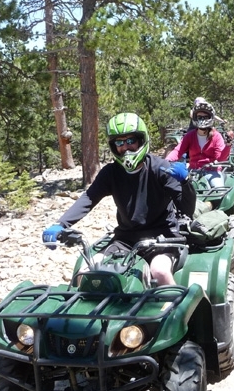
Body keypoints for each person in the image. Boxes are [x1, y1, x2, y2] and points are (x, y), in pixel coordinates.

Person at [42, 112, 195, 286]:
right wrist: (62, 224)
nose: (125, 147)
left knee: (159, 271)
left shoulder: (161, 169)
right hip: (126, 239)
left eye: (130, 141)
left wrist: (185, 182)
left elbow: (186, 209)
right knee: (87, 268)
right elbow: (89, 198)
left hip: (163, 238)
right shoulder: (111, 172)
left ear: (141, 140)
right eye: (119, 143)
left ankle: (173, 309)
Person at [167, 100, 231, 188]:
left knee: (219, 190)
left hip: (212, 171)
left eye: (205, 117)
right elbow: (178, 151)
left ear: (210, 117)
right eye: (199, 117)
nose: (202, 119)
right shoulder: (190, 135)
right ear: (195, 117)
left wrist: (228, 146)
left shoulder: (216, 136)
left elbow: (220, 158)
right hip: (192, 171)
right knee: (173, 188)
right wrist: (166, 161)